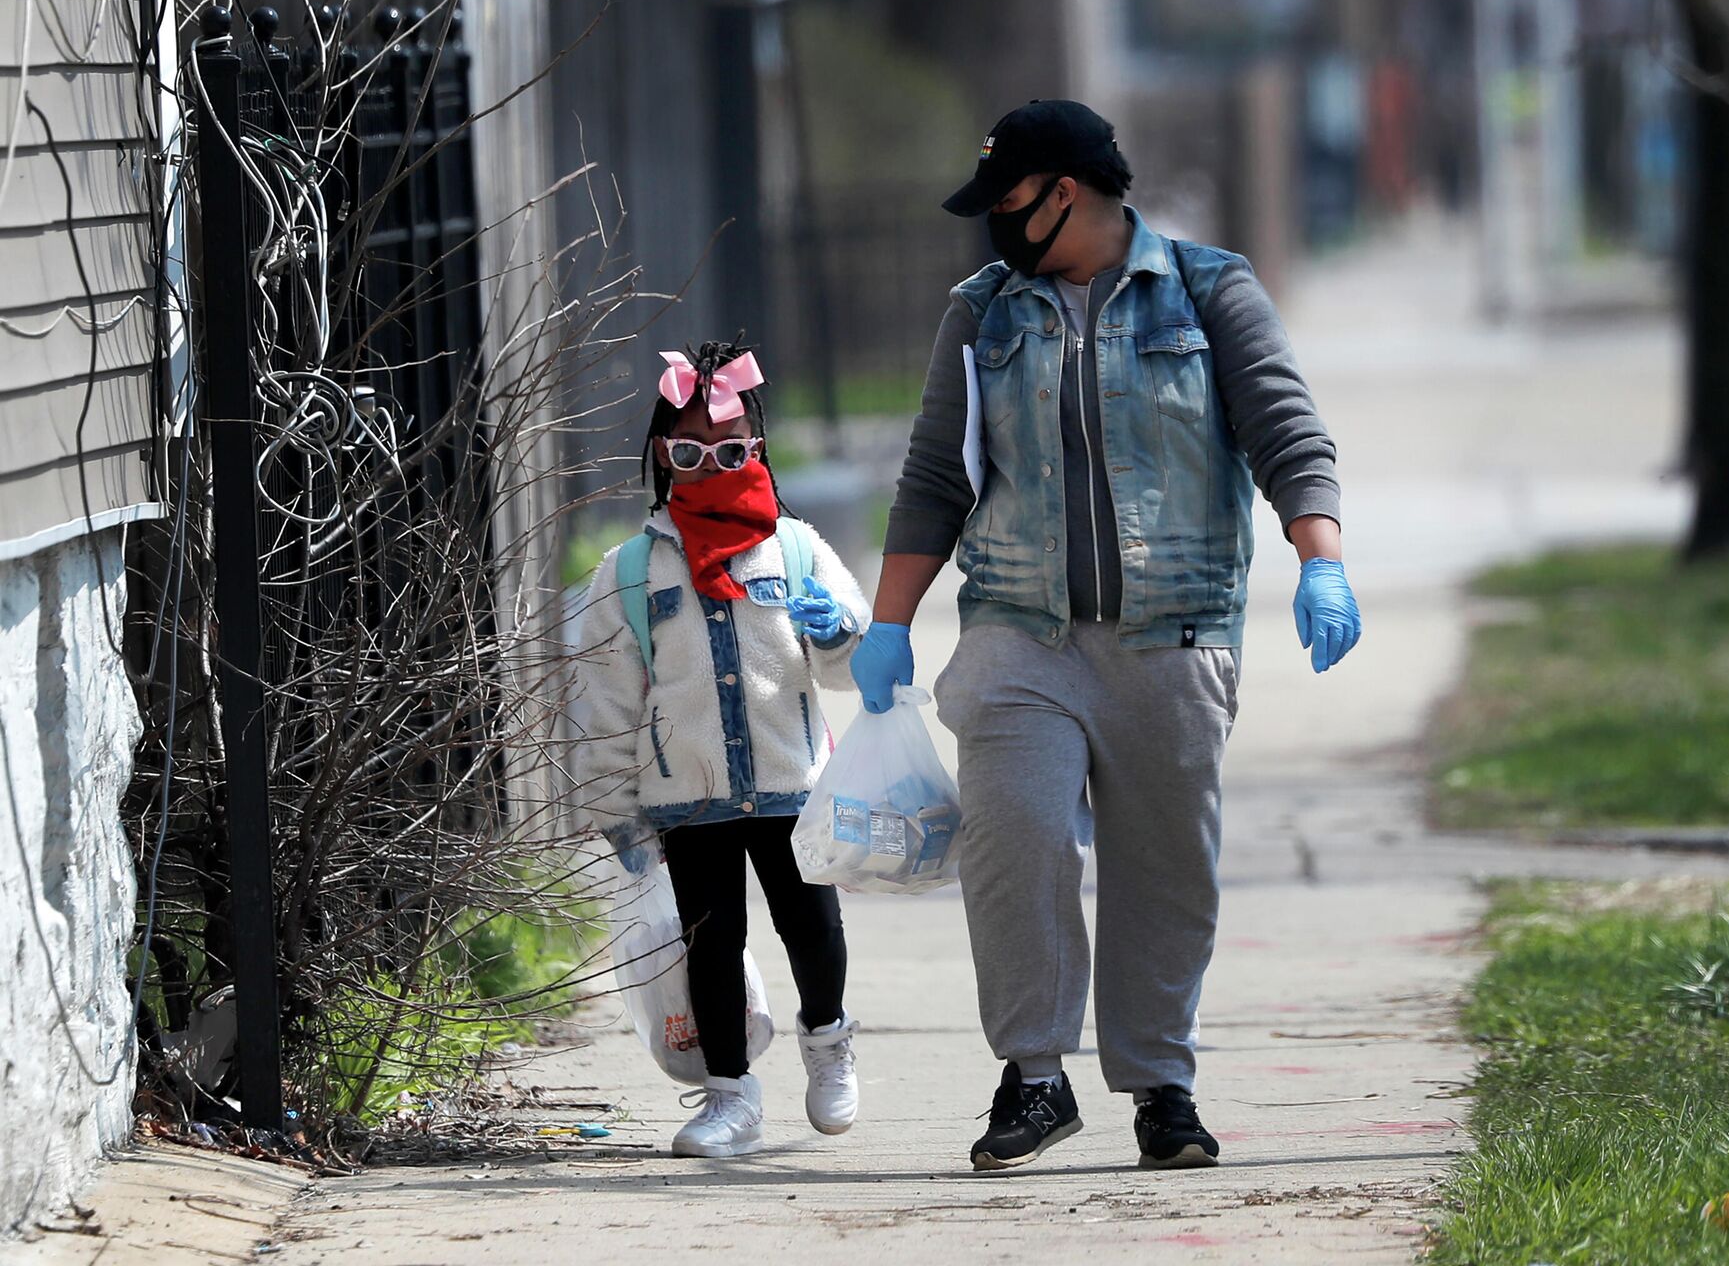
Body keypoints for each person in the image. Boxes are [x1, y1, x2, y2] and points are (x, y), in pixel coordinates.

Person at [851, 101, 1361, 1172]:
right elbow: (936, 477)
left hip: (1172, 633)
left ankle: (1161, 1086)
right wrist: (890, 623)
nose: (994, 220)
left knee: (1166, 870)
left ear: (1064, 193)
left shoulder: (1210, 291)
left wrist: (1322, 560)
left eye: (1007, 199)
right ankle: (1034, 1075)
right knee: (1015, 840)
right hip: (1017, 631)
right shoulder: (982, 314)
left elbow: (1285, 430)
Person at [573, 339, 872, 1158]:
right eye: (691, 451)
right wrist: (615, 813)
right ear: (663, 455)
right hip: (687, 794)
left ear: (758, 450)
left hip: (790, 783)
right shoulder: (629, 573)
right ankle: (730, 1095)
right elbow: (601, 703)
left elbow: (850, 665)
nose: (711, 467)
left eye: (731, 451)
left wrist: (838, 631)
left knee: (812, 926)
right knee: (711, 943)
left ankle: (827, 1039)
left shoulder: (798, 549)